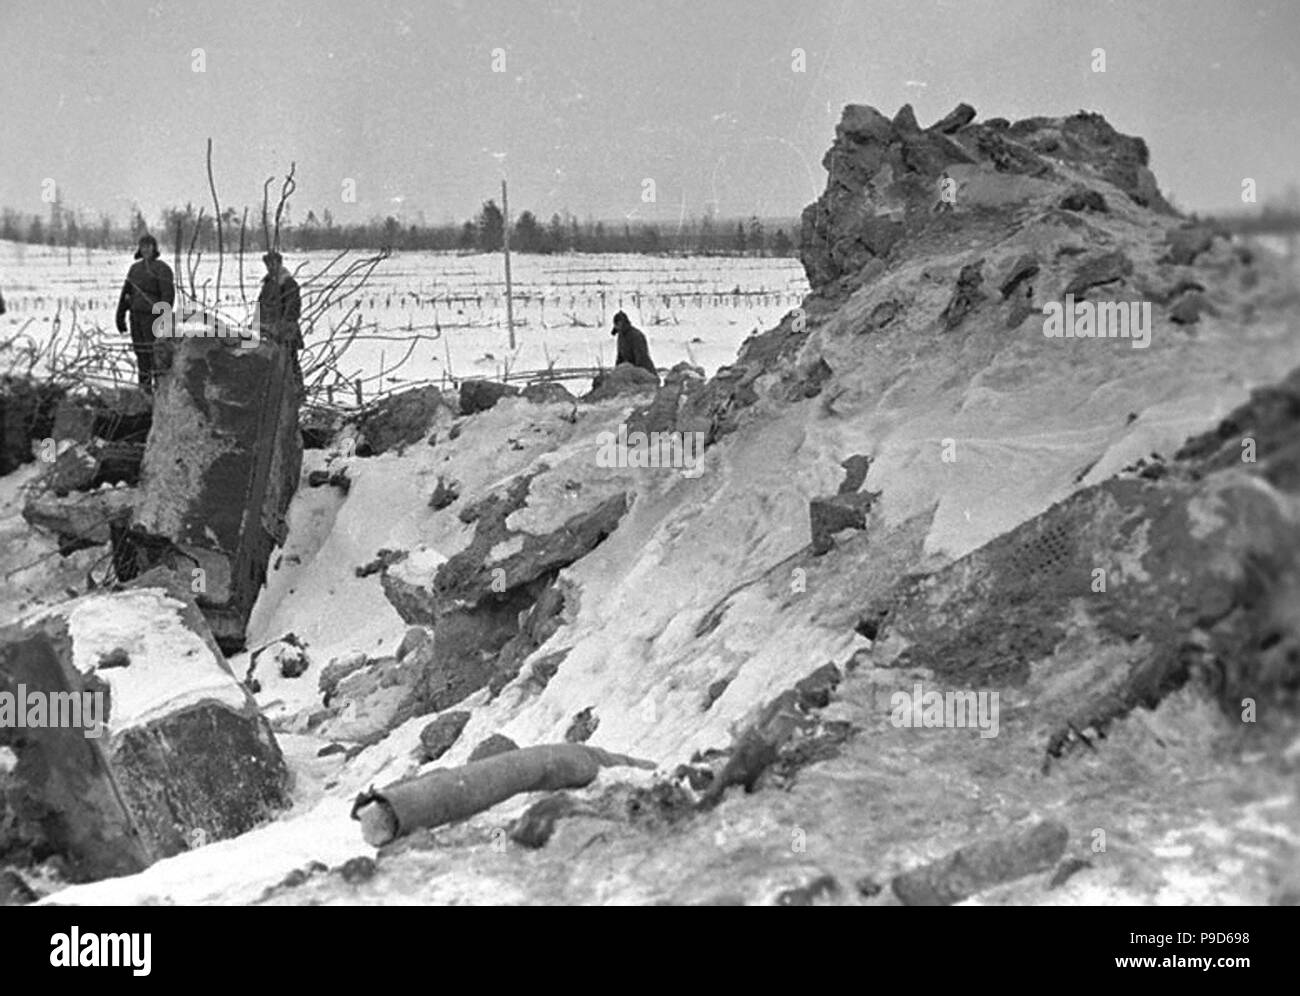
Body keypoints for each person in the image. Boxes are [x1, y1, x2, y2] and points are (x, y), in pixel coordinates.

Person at [115, 234, 175, 391]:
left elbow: (168, 295)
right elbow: (126, 293)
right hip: (135, 317)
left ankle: (161, 391)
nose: (146, 249)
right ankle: (144, 390)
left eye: (149, 246)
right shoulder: (135, 269)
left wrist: (164, 319)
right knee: (141, 354)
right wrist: (120, 315)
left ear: (154, 248)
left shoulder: (162, 268)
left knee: (154, 354)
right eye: (143, 246)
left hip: (153, 318)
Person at [257, 250, 303, 351]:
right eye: (268, 264)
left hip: (285, 334)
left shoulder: (288, 283)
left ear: (279, 263)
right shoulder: (268, 283)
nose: (270, 267)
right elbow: (261, 306)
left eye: (273, 264)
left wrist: (282, 327)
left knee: (289, 362)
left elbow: (293, 308)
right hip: (268, 332)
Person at [610, 310, 656, 376]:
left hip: (645, 375)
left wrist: (634, 375)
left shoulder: (636, 336)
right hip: (630, 373)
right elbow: (620, 358)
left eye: (618, 324)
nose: (617, 327)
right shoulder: (621, 336)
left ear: (623, 323)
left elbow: (641, 359)